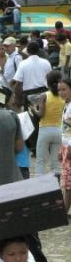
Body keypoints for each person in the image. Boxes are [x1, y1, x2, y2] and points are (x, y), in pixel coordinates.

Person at [34, 70, 64, 177]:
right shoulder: (63, 97)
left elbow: (40, 114)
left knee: (41, 160)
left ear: (48, 82)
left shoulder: (44, 95)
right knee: (55, 162)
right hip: (58, 131)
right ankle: (56, 186)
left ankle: (39, 186)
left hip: (45, 130)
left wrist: (33, 108)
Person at [12, 41, 52, 107]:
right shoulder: (46, 62)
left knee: (29, 116)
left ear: (27, 50)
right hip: (45, 94)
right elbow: (51, 79)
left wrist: (17, 99)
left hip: (29, 96)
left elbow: (18, 84)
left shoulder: (23, 64)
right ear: (38, 50)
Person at [58, 77, 71, 211]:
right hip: (65, 146)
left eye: (64, 89)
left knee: (68, 183)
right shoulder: (66, 105)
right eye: (59, 90)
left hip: (70, 147)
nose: (61, 92)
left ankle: (65, 210)